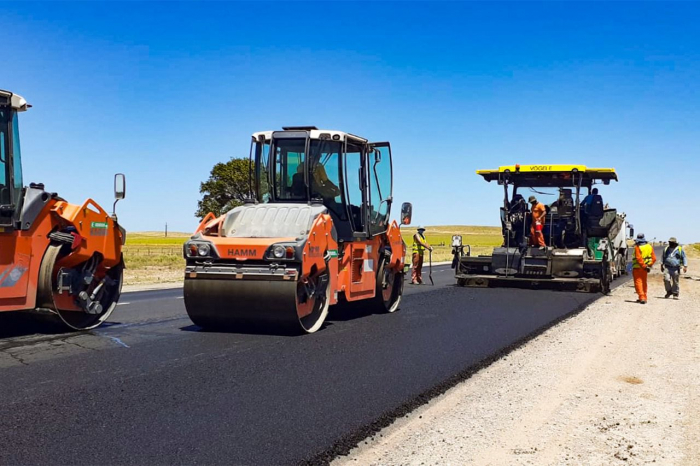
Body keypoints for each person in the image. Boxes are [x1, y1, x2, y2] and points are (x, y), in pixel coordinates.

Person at [632, 233, 656, 304]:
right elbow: (654, 258)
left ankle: (642, 297)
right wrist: (649, 265)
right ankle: (644, 297)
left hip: (637, 268)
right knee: (644, 283)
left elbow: (639, 258)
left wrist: (644, 266)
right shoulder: (649, 246)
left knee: (638, 282)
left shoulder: (637, 247)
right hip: (645, 268)